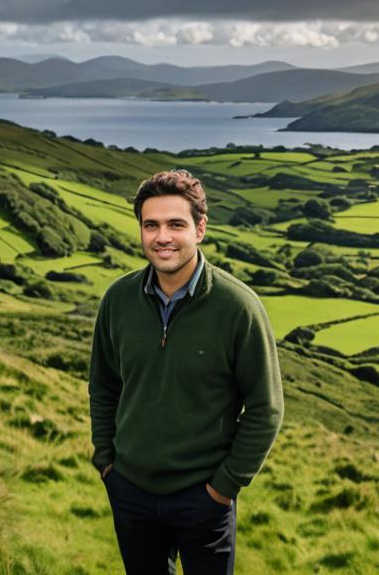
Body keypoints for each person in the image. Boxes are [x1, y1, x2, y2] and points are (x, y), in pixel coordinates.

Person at [89, 169, 284, 575]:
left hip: (203, 498)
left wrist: (223, 487)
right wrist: (107, 462)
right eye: (151, 225)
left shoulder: (238, 307)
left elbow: (266, 409)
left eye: (176, 224)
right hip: (131, 491)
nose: (162, 237)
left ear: (200, 229)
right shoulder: (117, 300)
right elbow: (104, 385)